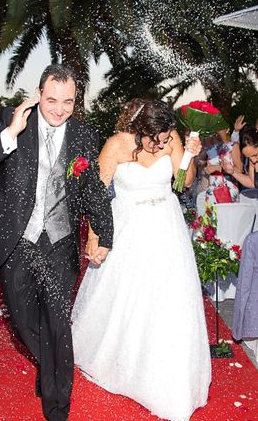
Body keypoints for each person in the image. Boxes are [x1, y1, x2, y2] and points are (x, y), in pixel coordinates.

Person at [0, 64, 114, 421]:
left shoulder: (84, 135)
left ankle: (57, 406)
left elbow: (93, 188)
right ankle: (50, 366)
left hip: (60, 243)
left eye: (68, 101)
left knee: (58, 324)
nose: (60, 109)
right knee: (23, 319)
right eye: (52, 100)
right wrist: (11, 131)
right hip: (19, 239)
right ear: (38, 94)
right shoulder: (14, 120)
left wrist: (104, 234)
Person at [72, 98, 211, 421]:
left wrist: (189, 153)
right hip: (127, 228)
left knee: (168, 299)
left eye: (167, 139)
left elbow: (184, 181)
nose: (163, 144)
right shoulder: (117, 144)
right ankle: (124, 362)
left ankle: (167, 375)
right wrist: (96, 237)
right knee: (128, 297)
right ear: (139, 130)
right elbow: (96, 193)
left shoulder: (171, 136)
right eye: (157, 140)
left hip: (166, 226)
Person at [200, 126, 241, 204]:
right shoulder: (209, 148)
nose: (217, 131)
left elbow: (239, 170)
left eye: (220, 127)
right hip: (212, 191)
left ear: (227, 129)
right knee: (212, 215)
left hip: (229, 190)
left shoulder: (233, 146)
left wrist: (219, 168)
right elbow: (199, 162)